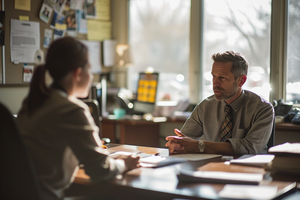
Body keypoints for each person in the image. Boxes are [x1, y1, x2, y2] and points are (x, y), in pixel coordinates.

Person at [16, 37, 140, 200]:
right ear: (78, 73)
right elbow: (100, 172)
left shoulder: (34, 102)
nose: (91, 76)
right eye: (89, 69)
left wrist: (101, 158)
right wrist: (126, 164)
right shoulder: (71, 108)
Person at [165, 50, 274, 156]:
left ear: (241, 81)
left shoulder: (263, 109)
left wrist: (200, 146)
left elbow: (250, 147)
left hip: (249, 170)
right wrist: (178, 144)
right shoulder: (205, 106)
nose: (215, 83)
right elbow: (185, 139)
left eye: (222, 78)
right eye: (213, 76)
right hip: (211, 167)